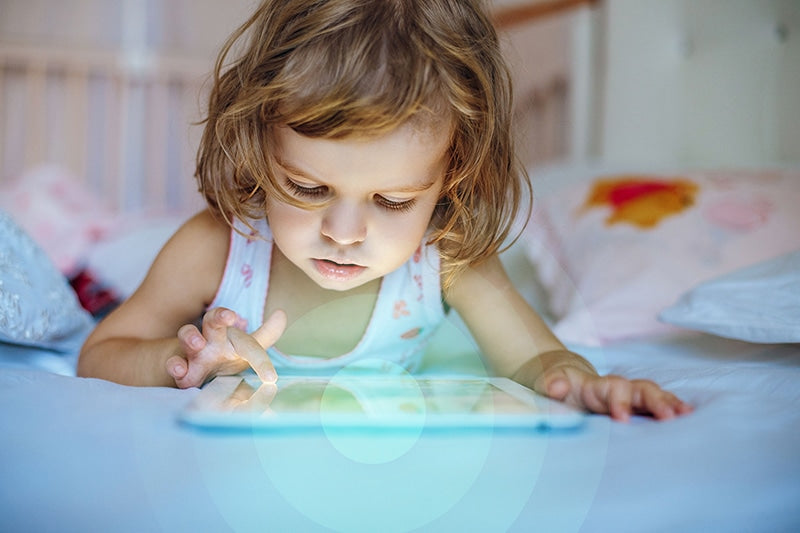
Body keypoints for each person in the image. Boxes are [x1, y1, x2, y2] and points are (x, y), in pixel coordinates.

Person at [78, 0, 692, 422]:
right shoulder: (218, 245)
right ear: (260, 147)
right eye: (308, 189)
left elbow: (534, 359)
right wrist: (184, 362)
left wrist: (580, 382)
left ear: (453, 176)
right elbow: (102, 353)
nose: (343, 234)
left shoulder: (446, 259)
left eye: (394, 201)